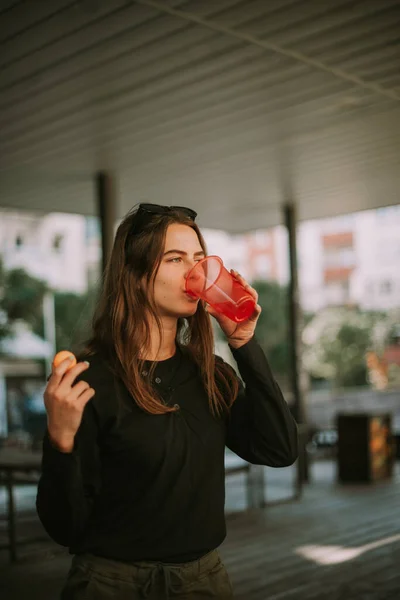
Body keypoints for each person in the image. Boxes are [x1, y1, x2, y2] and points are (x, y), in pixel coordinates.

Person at [36, 203, 298, 599]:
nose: (195, 273)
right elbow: (64, 527)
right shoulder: (88, 381)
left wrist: (244, 344)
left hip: (202, 583)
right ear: (136, 276)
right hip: (108, 585)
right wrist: (60, 441)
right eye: (175, 259)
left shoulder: (211, 375)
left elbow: (279, 449)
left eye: (198, 259)